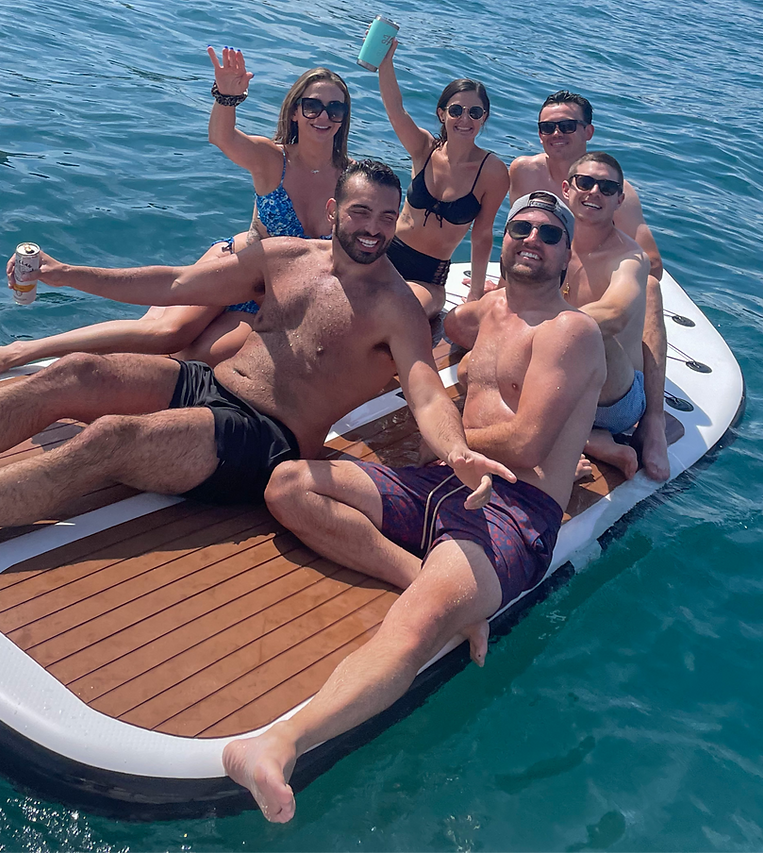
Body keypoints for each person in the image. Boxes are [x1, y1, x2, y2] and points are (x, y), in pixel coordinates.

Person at [0, 161, 511, 572]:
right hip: (211, 386)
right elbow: (172, 286)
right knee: (73, 374)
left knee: (107, 441)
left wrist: (455, 450)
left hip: (269, 442)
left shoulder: (397, 307)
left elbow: (422, 383)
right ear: (335, 210)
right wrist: (68, 272)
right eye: (362, 213)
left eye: (387, 219)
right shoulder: (286, 259)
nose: (374, 229)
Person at [221, 190, 606, 823]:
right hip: (439, 480)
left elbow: (527, 440)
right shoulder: (482, 316)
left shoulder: (571, 331)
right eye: (520, 227)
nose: (531, 238)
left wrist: (447, 439)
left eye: (548, 232)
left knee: (413, 626)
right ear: (503, 241)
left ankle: (276, 746)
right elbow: (429, 335)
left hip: (511, 509)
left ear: (567, 256)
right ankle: (433, 581)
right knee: (290, 483)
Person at [0, 49, 352, 383]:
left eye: (335, 107)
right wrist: (226, 97)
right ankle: (22, 352)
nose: (323, 115)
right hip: (233, 266)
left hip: (270, 299)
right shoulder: (273, 159)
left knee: (194, 361)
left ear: (344, 116)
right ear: (296, 111)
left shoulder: (351, 178)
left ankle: (97, 380)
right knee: (165, 333)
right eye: (312, 105)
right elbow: (223, 138)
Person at [509, 90, 670, 480]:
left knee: (645, 290)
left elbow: (648, 272)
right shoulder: (526, 175)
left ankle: (655, 422)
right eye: (548, 126)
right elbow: (514, 251)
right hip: (561, 333)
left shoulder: (619, 205)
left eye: (567, 126)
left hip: (605, 365)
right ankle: (584, 437)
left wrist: (542, 323)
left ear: (588, 131)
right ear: (566, 190)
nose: (556, 133)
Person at [376, 39, 509, 308]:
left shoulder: (492, 172)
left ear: (484, 118)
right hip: (385, 256)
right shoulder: (423, 149)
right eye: (456, 110)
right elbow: (396, 110)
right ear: (442, 114)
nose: (465, 119)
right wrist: (385, 63)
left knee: (404, 311)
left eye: (475, 112)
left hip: (430, 276)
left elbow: (482, 235)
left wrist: (476, 292)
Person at [559, 153, 650, 478]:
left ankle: (575, 440)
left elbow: (615, 313)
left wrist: (544, 329)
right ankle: (592, 441)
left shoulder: (629, 258)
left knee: (599, 331)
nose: (594, 191)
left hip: (613, 397)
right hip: (561, 382)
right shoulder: (550, 242)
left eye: (607, 188)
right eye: (585, 182)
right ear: (567, 189)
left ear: (619, 200)